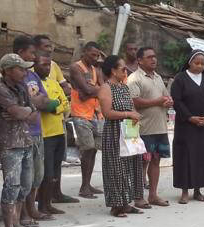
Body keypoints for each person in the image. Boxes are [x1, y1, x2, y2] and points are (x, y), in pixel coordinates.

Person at [0, 53, 40, 227]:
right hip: (9, 143)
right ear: (8, 70)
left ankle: (16, 224)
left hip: (25, 140)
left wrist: (24, 112)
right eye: (21, 69)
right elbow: (19, 112)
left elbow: (33, 115)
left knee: (25, 185)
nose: (25, 72)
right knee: (12, 186)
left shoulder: (21, 87)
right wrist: (25, 112)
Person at [169, 50, 204, 204]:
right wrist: (190, 117)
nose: (200, 66)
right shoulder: (180, 79)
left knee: (201, 156)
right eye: (197, 63)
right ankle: (184, 191)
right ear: (189, 62)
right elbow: (177, 101)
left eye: (203, 64)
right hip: (186, 125)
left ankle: (197, 190)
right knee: (185, 156)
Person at [14, 36, 53, 227]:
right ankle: (22, 213)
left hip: (38, 130)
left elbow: (45, 100)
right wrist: (35, 101)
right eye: (31, 53)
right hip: (22, 133)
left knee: (37, 174)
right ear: (20, 52)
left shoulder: (33, 75)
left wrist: (34, 102)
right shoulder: (15, 76)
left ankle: (31, 209)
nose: (34, 56)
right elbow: (24, 103)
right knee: (24, 176)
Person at [98, 55, 143, 217]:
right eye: (123, 69)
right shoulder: (106, 88)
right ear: (113, 71)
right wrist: (128, 114)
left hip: (129, 130)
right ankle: (116, 205)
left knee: (130, 166)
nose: (126, 71)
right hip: (114, 132)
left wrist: (135, 115)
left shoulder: (124, 87)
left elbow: (131, 107)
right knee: (116, 168)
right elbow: (107, 113)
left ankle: (126, 203)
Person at [128, 46, 173, 208]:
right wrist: (158, 101)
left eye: (154, 56)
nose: (153, 59)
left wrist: (169, 101)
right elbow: (135, 101)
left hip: (160, 127)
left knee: (156, 160)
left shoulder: (158, 77)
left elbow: (165, 96)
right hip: (142, 128)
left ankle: (153, 195)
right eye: (149, 57)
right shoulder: (134, 78)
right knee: (141, 162)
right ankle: (138, 197)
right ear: (139, 60)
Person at [34, 51, 69, 216]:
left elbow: (65, 102)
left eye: (49, 65)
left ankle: (48, 204)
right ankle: (41, 205)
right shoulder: (33, 84)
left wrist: (55, 107)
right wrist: (54, 105)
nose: (47, 68)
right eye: (44, 64)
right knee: (46, 173)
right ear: (35, 65)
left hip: (58, 132)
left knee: (54, 171)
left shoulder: (54, 83)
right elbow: (43, 105)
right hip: (44, 134)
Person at [69, 42, 105, 198]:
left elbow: (102, 89)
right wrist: (93, 90)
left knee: (93, 149)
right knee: (87, 148)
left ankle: (87, 184)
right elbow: (86, 89)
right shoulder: (76, 67)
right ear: (84, 52)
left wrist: (91, 91)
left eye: (97, 55)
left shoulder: (95, 70)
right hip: (80, 113)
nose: (95, 58)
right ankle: (84, 187)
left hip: (95, 113)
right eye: (92, 55)